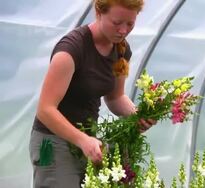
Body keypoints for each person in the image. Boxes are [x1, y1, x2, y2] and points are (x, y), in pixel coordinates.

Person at [29, 0, 156, 187]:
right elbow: (45, 110)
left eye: (130, 23)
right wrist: (83, 140)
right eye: (117, 22)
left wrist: (138, 115)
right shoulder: (71, 50)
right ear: (98, 12)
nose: (123, 30)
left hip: (90, 141)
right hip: (54, 140)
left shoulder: (122, 50)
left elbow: (115, 97)